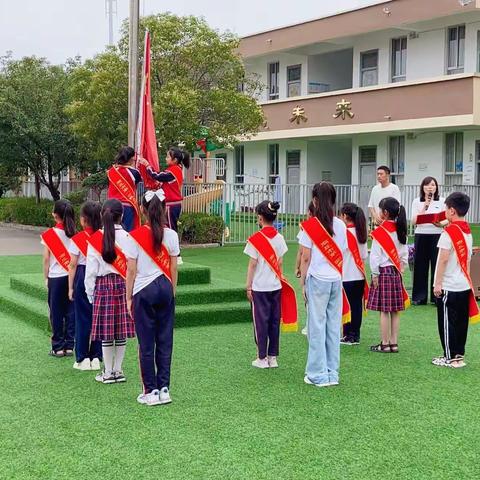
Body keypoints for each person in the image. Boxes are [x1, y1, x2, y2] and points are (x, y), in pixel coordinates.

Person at [125, 189, 180, 406]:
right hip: (166, 288)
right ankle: (164, 388)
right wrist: (172, 291)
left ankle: (150, 391)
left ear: (142, 210)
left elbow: (131, 270)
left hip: (143, 290)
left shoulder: (135, 236)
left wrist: (128, 296)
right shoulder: (172, 235)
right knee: (165, 340)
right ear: (165, 209)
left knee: (146, 343)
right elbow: (174, 267)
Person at [299, 182, 347, 387]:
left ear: (315, 200)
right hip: (336, 279)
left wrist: (302, 284)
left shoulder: (310, 226)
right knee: (333, 327)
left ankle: (317, 374)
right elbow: (342, 251)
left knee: (316, 327)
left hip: (317, 279)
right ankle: (331, 372)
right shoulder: (341, 225)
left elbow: (305, 258)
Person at [85, 199, 135, 384]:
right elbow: (132, 267)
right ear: (122, 215)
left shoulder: (96, 238)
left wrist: (90, 293)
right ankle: (118, 370)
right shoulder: (129, 237)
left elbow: (90, 270)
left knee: (107, 332)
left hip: (103, 286)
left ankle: (107, 373)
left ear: (102, 215)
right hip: (123, 285)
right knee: (120, 331)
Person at [244, 200, 293, 369]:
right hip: (275, 286)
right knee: (273, 321)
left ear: (260, 218)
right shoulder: (279, 238)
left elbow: (252, 264)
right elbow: (279, 263)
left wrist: (248, 286)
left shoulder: (256, 239)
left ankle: (261, 358)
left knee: (260, 322)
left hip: (259, 287)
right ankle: (273, 357)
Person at [432, 192, 479, 368]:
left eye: (446, 208)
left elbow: (443, 260)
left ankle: (449, 357)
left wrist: (437, 283)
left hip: (449, 285)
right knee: (461, 322)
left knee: (446, 322)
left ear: (451, 210)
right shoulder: (467, 232)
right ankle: (458, 355)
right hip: (463, 284)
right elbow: (466, 259)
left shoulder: (448, 233)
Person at [367, 197, 409, 353]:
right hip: (396, 272)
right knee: (395, 310)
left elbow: (375, 256)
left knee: (384, 310)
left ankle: (384, 344)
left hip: (383, 272)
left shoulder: (380, 232)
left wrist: (375, 274)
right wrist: (401, 267)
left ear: (384, 213)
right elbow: (404, 254)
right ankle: (394, 343)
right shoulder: (401, 230)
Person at [68, 201, 103, 371]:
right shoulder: (104, 237)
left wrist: (70, 287)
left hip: (83, 275)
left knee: (82, 318)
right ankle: (96, 356)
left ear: (83, 220)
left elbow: (72, 264)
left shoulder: (77, 239)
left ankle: (82, 358)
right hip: (100, 276)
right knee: (98, 317)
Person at [41, 200, 76, 357]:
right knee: (70, 311)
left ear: (55, 215)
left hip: (55, 277)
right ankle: (69, 346)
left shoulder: (50, 234)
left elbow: (46, 259)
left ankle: (57, 347)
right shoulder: (75, 233)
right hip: (72, 277)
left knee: (56, 312)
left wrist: (45, 277)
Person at [138, 147, 191, 234]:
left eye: (168, 157)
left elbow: (156, 175)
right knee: (168, 227)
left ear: (175, 160)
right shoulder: (175, 169)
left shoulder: (173, 171)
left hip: (171, 204)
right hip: (172, 204)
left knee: (170, 228)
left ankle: (172, 246)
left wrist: (147, 165)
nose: (166, 159)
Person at [411, 177, 445, 305]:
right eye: (427, 185)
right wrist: (425, 205)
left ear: (436, 187)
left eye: (432, 185)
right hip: (421, 234)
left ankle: (436, 296)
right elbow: (414, 221)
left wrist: (440, 224)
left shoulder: (442, 201)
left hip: (437, 234)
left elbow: (446, 218)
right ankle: (420, 296)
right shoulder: (417, 201)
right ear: (422, 188)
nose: (430, 187)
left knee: (437, 264)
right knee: (420, 265)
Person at [340, 202, 369, 345]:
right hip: (359, 275)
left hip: (346, 275)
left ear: (345, 216)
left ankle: (348, 335)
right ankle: (355, 335)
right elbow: (364, 256)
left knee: (347, 306)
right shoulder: (361, 232)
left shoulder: (344, 233)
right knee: (356, 306)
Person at [107, 146, 142, 232]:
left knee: (111, 232)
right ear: (130, 158)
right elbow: (139, 182)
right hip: (127, 206)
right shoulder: (135, 173)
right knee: (127, 233)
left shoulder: (111, 171)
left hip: (111, 207)